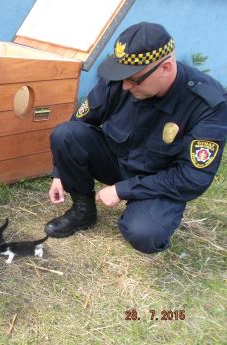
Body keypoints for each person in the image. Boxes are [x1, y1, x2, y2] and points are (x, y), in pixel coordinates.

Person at [44, 22, 227, 254]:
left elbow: (193, 178)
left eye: (134, 79)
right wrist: (61, 173)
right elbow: (79, 124)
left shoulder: (207, 104)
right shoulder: (122, 79)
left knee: (145, 235)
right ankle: (83, 212)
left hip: (158, 180)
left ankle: (149, 211)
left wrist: (123, 190)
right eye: (122, 76)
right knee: (65, 134)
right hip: (117, 160)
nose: (125, 86)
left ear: (166, 68)